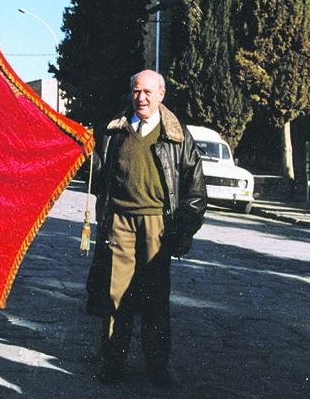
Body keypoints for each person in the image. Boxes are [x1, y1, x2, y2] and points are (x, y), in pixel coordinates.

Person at [88, 70, 206, 386]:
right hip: (120, 222)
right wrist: (83, 152)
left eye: (148, 92)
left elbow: (195, 191)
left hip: (158, 224)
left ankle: (157, 366)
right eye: (136, 91)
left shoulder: (178, 136)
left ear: (161, 95)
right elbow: (97, 174)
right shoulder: (114, 131)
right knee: (116, 295)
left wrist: (182, 229)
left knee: (155, 297)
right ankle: (112, 363)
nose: (141, 97)